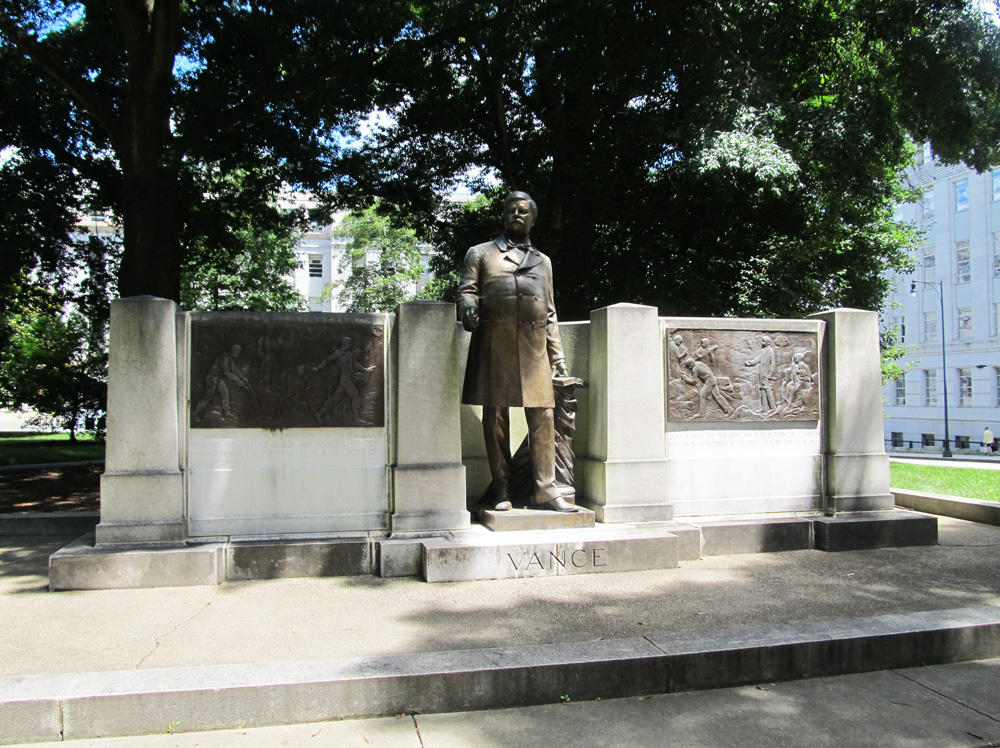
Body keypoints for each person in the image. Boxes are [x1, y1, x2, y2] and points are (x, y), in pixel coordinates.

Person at [457, 191, 578, 513]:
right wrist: (468, 308)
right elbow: (467, 290)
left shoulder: (544, 261)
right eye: (511, 211)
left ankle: (545, 488)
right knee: (495, 415)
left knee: (543, 414)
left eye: (524, 211)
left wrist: (559, 357)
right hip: (494, 344)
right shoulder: (480, 253)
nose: (517, 216)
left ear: (533, 218)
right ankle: (502, 488)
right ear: (504, 216)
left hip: (534, 348)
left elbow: (550, 312)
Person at [745, 335, 777, 411]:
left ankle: (773, 407)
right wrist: (751, 363)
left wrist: (771, 374)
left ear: (768, 343)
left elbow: (773, 364)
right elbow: (759, 359)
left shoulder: (771, 351)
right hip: (762, 373)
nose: (761, 342)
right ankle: (764, 407)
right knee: (762, 389)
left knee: (767, 389)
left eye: (763, 341)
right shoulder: (763, 350)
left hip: (767, 374)